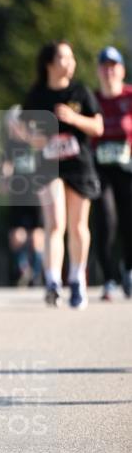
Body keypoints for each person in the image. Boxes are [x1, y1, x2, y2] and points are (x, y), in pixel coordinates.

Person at [22, 40, 103, 309]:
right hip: (48, 166)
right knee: (55, 223)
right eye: (64, 58)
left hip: (79, 166)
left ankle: (77, 279)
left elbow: (98, 127)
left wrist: (73, 118)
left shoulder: (81, 92)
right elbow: (23, 129)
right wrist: (34, 138)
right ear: (50, 64)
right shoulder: (36, 95)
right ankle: (53, 282)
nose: (71, 63)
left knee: (79, 225)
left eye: (72, 58)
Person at [91, 46, 132, 301]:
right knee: (105, 220)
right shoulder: (92, 100)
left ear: (122, 70)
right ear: (98, 71)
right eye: (104, 66)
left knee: (130, 220)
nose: (109, 71)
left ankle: (129, 270)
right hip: (100, 168)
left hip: (128, 167)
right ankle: (108, 278)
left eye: (113, 66)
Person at [3, 106, 44, 287]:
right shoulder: (10, 145)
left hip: (37, 195)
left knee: (36, 238)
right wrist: (4, 180)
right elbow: (6, 165)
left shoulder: (36, 141)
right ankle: (22, 268)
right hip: (18, 195)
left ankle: (36, 275)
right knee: (17, 236)